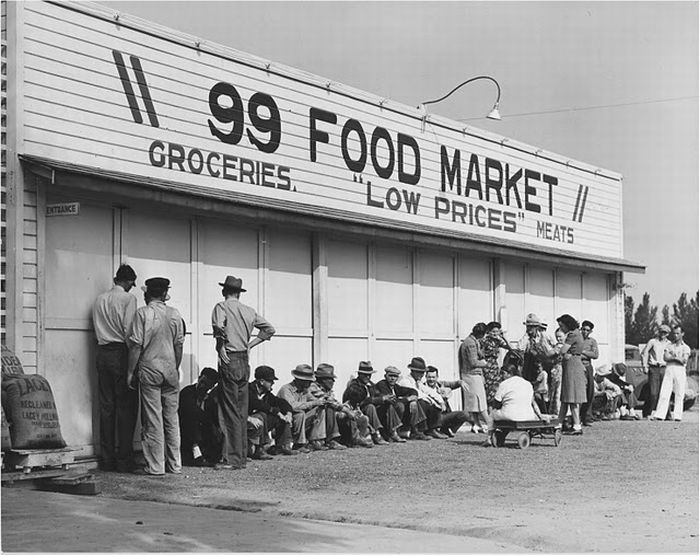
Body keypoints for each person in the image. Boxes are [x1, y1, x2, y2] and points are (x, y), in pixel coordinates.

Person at [211, 275, 275, 470]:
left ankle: (232, 459)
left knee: (229, 411)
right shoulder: (248, 311)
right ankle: (240, 456)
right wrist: (250, 345)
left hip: (229, 358)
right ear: (239, 293)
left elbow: (218, 327)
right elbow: (269, 329)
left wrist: (220, 345)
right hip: (243, 360)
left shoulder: (221, 307)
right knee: (241, 410)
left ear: (224, 291)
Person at [127, 277, 185, 475]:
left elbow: (135, 346)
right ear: (164, 294)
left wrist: (130, 371)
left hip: (150, 368)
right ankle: (175, 464)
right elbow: (179, 345)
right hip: (170, 369)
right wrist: (175, 367)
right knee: (172, 418)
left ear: (147, 294)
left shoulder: (143, 313)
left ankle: (156, 466)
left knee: (153, 419)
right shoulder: (175, 314)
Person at [92, 263, 139, 472]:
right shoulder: (129, 299)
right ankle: (124, 460)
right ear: (128, 282)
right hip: (120, 351)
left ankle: (107, 458)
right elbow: (129, 331)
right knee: (126, 408)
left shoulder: (100, 299)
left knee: (106, 407)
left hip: (102, 352)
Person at [486, 362, 549, 447]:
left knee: (491, 414)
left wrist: (498, 407)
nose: (501, 376)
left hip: (509, 414)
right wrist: (540, 416)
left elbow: (496, 403)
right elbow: (533, 403)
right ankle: (500, 435)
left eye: (503, 373)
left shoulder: (504, 384)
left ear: (509, 373)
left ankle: (489, 438)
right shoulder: (527, 383)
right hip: (527, 415)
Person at [277, 364, 330, 452]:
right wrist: (313, 403)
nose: (310, 383)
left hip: (299, 422)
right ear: (300, 380)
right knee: (299, 414)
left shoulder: (305, 390)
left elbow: (313, 400)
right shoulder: (286, 389)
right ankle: (299, 444)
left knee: (320, 409)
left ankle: (315, 440)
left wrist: (321, 402)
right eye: (307, 381)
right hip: (285, 422)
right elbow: (293, 407)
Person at [247, 365, 296, 457]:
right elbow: (257, 404)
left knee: (281, 418)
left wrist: (288, 414)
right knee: (262, 415)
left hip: (260, 425)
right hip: (246, 423)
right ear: (261, 381)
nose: (273, 383)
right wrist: (276, 412)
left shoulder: (266, 393)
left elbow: (280, 402)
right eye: (270, 381)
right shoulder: (248, 390)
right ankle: (260, 448)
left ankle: (283, 445)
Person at [342, 361, 394, 445]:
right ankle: (377, 434)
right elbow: (361, 401)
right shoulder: (354, 385)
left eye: (369, 374)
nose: (368, 377)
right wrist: (380, 399)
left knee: (388, 404)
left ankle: (392, 432)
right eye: (365, 374)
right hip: (356, 410)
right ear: (359, 374)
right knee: (370, 406)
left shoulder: (370, 384)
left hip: (369, 412)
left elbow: (377, 394)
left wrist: (386, 397)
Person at [178, 367, 222, 466]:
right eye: (202, 382)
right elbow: (190, 411)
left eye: (207, 385)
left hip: (203, 432)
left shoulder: (209, 399)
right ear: (199, 378)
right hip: (187, 431)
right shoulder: (187, 392)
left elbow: (213, 417)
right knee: (193, 420)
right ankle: (196, 453)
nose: (203, 386)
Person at [397, 357, 444, 439]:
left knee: (429, 404)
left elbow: (428, 391)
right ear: (412, 371)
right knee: (422, 402)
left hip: (413, 409)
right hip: (405, 409)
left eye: (423, 373)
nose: (422, 375)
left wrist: (440, 401)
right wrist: (431, 401)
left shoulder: (417, 382)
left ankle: (431, 430)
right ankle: (418, 431)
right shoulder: (405, 381)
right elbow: (417, 393)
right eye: (419, 372)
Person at [555, 314, 587, 436]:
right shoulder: (576, 333)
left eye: (562, 326)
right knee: (567, 397)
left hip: (572, 365)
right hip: (573, 364)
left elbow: (563, 350)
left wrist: (557, 353)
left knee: (571, 397)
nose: (561, 328)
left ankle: (577, 425)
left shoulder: (572, 334)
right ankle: (559, 423)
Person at [652, 324, 691, 422]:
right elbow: (665, 358)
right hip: (669, 369)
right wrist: (676, 357)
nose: (675, 336)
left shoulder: (686, 347)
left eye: (678, 333)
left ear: (682, 334)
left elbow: (684, 360)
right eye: (674, 333)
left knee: (679, 392)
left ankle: (678, 416)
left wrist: (673, 357)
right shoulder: (669, 345)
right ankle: (660, 414)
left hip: (680, 370)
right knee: (665, 391)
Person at [307, 364, 349, 450]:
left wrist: (346, 410)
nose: (333, 381)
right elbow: (329, 401)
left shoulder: (328, 390)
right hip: (309, 419)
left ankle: (351, 438)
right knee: (328, 407)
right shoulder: (313, 387)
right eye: (330, 379)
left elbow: (335, 402)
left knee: (342, 413)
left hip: (318, 420)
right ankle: (327, 440)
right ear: (322, 380)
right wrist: (347, 410)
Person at [458, 323, 489, 433]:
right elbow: (473, 362)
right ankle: (490, 424)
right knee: (481, 403)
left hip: (470, 375)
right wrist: (485, 363)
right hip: (472, 375)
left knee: (475, 403)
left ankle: (477, 424)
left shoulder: (471, 341)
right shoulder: (471, 343)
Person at [424, 365, 470, 437]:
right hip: (431, 418)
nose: (431, 379)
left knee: (465, 414)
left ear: (437, 377)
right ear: (425, 377)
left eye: (433, 377)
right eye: (429, 377)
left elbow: (453, 384)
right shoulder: (423, 387)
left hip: (443, 415)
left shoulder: (440, 384)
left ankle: (447, 430)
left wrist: (460, 382)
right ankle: (432, 431)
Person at [517, 313, 557, 385]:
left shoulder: (543, 336)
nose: (529, 328)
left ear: (536, 327)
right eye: (528, 326)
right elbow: (520, 348)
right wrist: (526, 336)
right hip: (529, 365)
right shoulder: (525, 338)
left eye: (532, 327)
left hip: (543, 364)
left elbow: (551, 348)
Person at [640, 324, 671, 417]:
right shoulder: (652, 342)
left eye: (665, 333)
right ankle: (647, 412)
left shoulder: (669, 344)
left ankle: (667, 414)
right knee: (653, 392)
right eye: (661, 332)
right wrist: (644, 366)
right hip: (654, 368)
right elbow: (644, 353)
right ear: (659, 332)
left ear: (668, 334)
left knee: (665, 392)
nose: (663, 334)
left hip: (664, 368)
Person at [481, 322, 511, 407]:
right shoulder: (484, 341)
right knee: (489, 388)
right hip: (486, 367)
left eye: (497, 332)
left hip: (495, 367)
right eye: (493, 331)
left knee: (496, 388)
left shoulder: (497, 341)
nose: (495, 334)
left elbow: (510, 347)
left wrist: (503, 337)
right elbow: (480, 355)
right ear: (489, 332)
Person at [580, 320, 599, 427]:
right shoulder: (577, 340)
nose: (585, 332)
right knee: (580, 391)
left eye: (587, 330)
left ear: (591, 331)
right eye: (583, 329)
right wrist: (587, 354)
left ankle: (587, 417)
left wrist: (583, 352)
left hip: (588, 367)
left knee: (590, 391)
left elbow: (595, 355)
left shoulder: (592, 341)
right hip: (578, 366)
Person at [548, 328, 565, 415]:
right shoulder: (558, 345)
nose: (558, 339)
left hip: (561, 369)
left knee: (559, 390)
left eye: (560, 336)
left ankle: (558, 412)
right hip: (557, 369)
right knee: (555, 390)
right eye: (557, 337)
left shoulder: (560, 347)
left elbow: (549, 354)